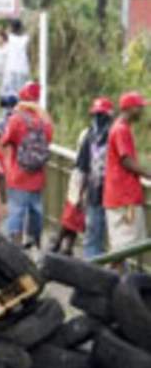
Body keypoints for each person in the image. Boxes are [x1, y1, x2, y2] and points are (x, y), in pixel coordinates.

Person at [0, 82, 53, 249]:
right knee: (36, 210)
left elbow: (5, 141)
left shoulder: (16, 119)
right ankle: (35, 241)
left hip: (17, 174)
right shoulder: (43, 121)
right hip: (37, 176)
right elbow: (49, 137)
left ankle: (15, 246)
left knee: (16, 211)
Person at [103, 92, 150, 252]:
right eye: (139, 107)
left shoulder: (121, 128)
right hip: (123, 198)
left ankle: (116, 275)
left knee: (124, 246)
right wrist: (148, 174)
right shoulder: (121, 129)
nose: (142, 111)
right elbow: (126, 160)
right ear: (130, 108)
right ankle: (107, 276)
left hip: (122, 196)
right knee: (124, 247)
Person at [75, 97, 115, 258]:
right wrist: (79, 195)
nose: (98, 119)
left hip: (104, 195)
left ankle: (93, 271)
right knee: (100, 237)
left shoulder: (91, 135)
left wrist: (79, 194)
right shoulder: (95, 136)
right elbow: (83, 167)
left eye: (100, 115)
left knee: (94, 237)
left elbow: (83, 168)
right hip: (103, 195)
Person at [49, 128, 91, 255]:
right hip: (82, 180)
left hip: (79, 178)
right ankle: (62, 244)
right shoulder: (91, 135)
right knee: (73, 214)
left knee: (74, 215)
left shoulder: (87, 133)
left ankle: (63, 244)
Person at [2, 20, 30, 97]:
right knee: (22, 93)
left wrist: (10, 28)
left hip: (11, 69)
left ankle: (8, 108)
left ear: (12, 28)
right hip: (23, 69)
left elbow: (5, 31)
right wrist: (22, 27)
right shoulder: (25, 39)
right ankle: (21, 107)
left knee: (9, 93)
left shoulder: (10, 38)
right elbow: (27, 32)